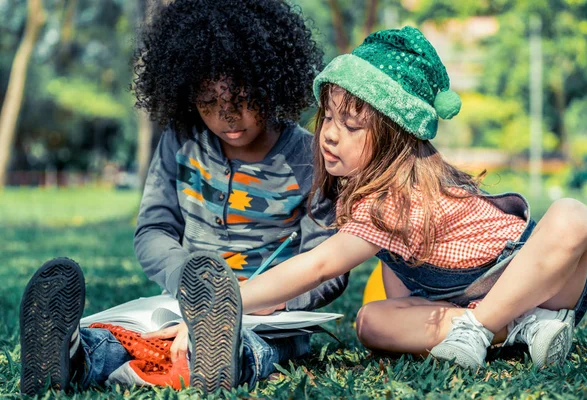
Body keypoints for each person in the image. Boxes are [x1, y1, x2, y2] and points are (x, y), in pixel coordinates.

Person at [19, 0, 348, 396]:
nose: (227, 117)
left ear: (270, 82)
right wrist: (189, 287)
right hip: (181, 300)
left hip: (268, 313)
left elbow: (328, 261)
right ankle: (71, 355)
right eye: (209, 103)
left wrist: (281, 300)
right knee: (130, 335)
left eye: (242, 100)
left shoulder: (311, 159)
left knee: (263, 344)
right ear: (186, 94)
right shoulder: (179, 141)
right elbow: (154, 230)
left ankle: (221, 356)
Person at [237, 27, 587, 370]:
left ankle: (483, 326)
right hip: (479, 302)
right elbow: (404, 299)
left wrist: (235, 300)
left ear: (394, 137)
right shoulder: (368, 194)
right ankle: (521, 329)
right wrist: (271, 298)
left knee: (573, 215)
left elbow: (319, 266)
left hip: (544, 281)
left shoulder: (396, 197)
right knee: (371, 321)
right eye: (328, 117)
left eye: (351, 125)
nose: (329, 134)